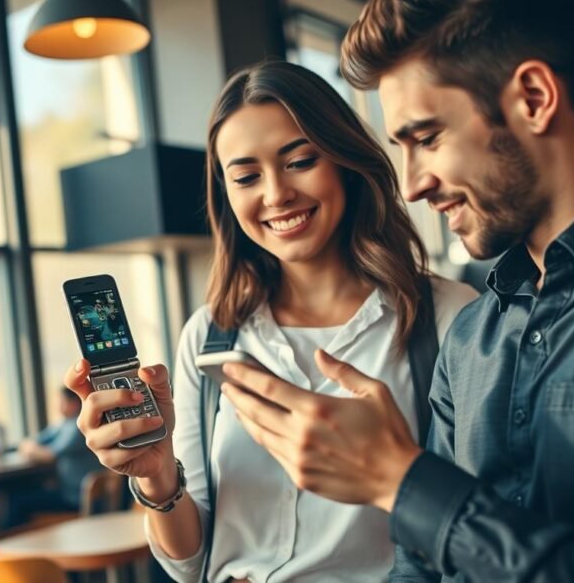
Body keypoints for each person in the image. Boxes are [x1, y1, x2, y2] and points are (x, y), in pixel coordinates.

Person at [218, 0, 574, 581]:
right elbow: (421, 566)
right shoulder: (472, 338)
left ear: (534, 98)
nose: (412, 186)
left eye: (427, 137)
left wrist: (402, 480)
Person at [65, 61, 476, 582]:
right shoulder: (208, 336)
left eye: (300, 161)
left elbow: (473, 527)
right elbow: (189, 564)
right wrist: (156, 476)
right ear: (227, 194)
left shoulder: (446, 317)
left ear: (345, 161)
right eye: (246, 176)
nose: (276, 194)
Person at [0, 387, 104, 530]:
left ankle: (8, 543)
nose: (57, 406)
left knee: (17, 500)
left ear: (74, 403)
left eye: (61, 401)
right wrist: (31, 447)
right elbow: (36, 441)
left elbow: (49, 455)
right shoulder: (63, 424)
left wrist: (31, 449)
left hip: (76, 496)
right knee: (19, 494)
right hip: (70, 490)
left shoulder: (78, 426)